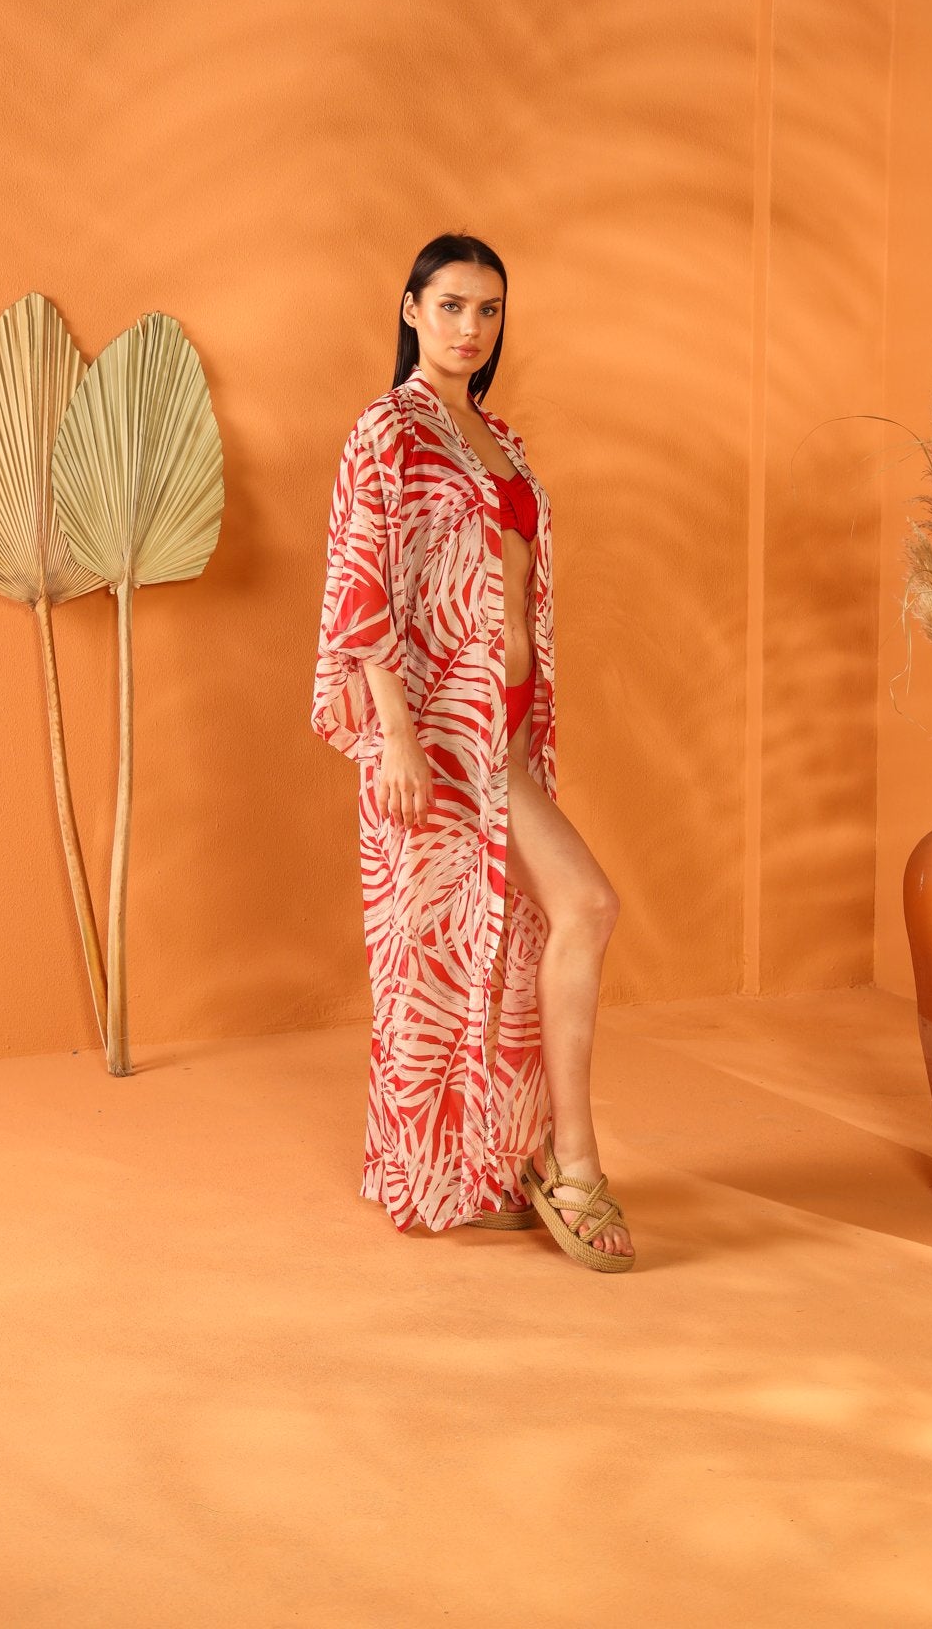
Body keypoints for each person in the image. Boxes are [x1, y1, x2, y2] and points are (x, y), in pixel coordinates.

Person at [312, 232, 635, 1273]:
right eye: (450, 305)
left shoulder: (498, 438)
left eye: (488, 309)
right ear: (410, 309)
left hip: (511, 732)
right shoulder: (388, 431)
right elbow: (360, 581)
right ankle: (572, 1164)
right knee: (565, 913)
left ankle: (492, 1166)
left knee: (502, 948)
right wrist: (396, 737)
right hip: (445, 738)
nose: (470, 327)